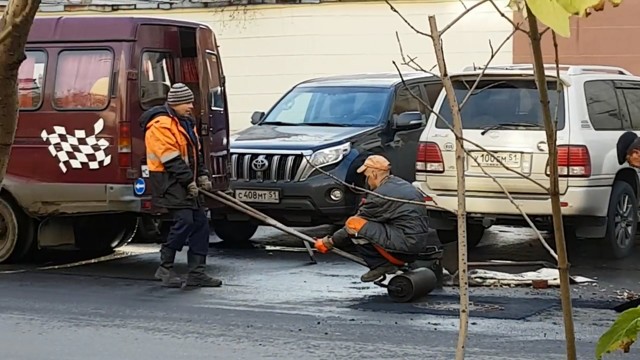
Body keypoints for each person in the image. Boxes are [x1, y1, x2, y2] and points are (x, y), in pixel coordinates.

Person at [139, 83, 222, 288]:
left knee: (200, 223)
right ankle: (165, 266)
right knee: (185, 221)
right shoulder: (160, 124)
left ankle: (197, 273)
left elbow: (195, 154)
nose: (191, 106)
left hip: (186, 181)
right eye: (187, 102)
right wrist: (189, 182)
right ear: (175, 103)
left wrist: (202, 175)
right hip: (170, 182)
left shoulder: (185, 122)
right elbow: (170, 158)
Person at [314, 155, 440, 282]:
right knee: (363, 224)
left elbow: (354, 225)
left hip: (404, 247)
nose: (366, 180)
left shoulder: (381, 195)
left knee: (354, 224)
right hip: (415, 244)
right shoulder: (401, 185)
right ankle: (386, 263)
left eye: (366, 176)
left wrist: (328, 242)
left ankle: (380, 265)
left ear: (374, 173)